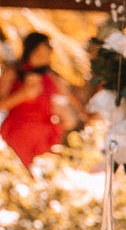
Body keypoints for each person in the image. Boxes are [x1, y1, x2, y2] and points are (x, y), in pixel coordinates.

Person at [0, 33, 76, 167]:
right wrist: (22, 95)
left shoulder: (55, 79)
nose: (48, 52)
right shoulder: (13, 73)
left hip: (45, 140)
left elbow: (70, 121)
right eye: (44, 48)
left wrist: (64, 115)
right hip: (16, 135)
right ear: (32, 49)